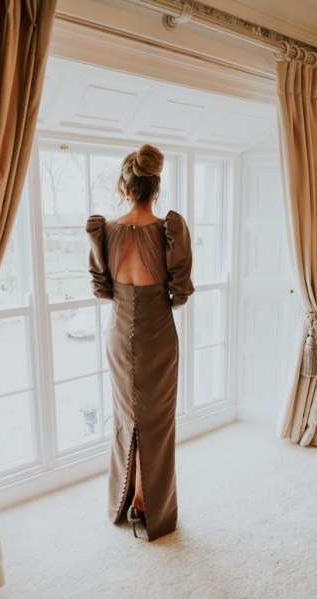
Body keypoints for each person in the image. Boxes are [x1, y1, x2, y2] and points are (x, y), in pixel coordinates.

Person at [86, 144, 194, 542]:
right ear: (156, 188)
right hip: (158, 333)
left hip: (119, 333)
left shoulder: (106, 231)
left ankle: (126, 498)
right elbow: (181, 293)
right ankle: (149, 505)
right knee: (157, 423)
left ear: (126, 188)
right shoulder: (170, 229)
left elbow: (101, 290)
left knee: (125, 420)